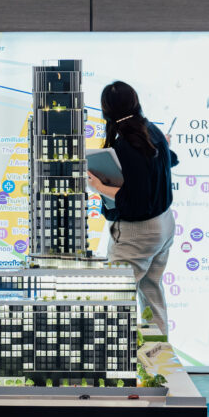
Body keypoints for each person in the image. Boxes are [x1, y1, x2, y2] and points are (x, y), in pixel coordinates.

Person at [86, 81, 177, 337]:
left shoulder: (126, 145)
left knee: (114, 299)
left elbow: (135, 200)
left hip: (138, 233)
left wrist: (98, 186)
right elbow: (171, 161)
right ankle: (157, 356)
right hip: (163, 226)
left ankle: (113, 358)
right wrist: (162, 148)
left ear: (106, 110)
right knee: (151, 293)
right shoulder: (151, 131)